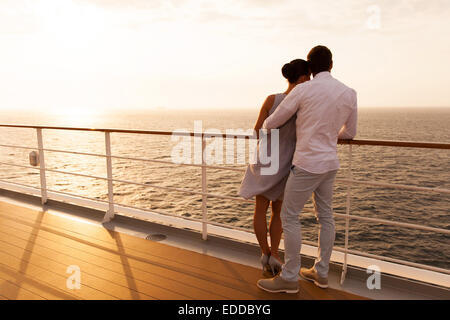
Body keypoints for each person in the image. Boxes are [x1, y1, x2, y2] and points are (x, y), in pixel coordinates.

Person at [257, 45, 358, 293]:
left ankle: (290, 277)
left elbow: (270, 123)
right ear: (332, 65)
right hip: (330, 164)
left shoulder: (304, 89)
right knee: (326, 218)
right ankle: (321, 273)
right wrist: (328, 135)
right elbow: (351, 133)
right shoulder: (349, 92)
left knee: (289, 217)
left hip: (306, 165)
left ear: (310, 68)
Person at [239, 59, 311, 276]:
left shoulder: (272, 99)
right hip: (286, 163)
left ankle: (265, 253)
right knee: (278, 211)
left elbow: (257, 129)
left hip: (264, 159)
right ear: (302, 78)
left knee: (260, 209)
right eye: (308, 77)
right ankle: (276, 255)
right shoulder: (302, 104)